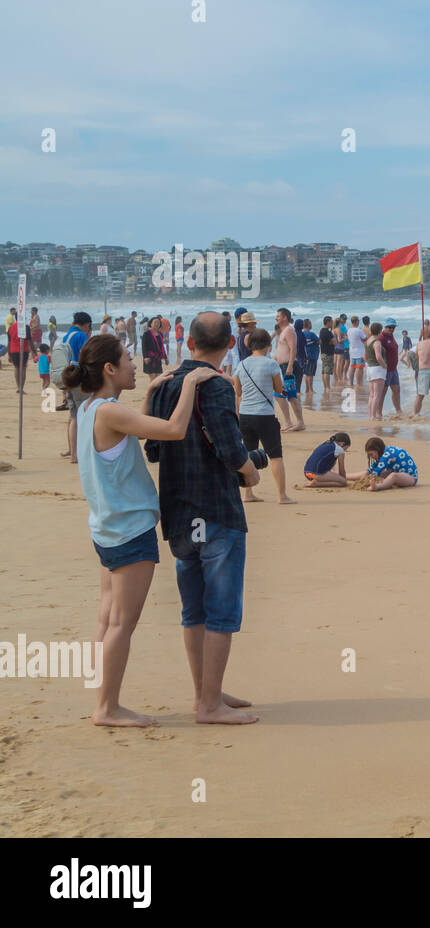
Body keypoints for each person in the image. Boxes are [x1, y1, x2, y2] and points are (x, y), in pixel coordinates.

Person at [67, 334, 220, 727]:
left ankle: (103, 695)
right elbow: (172, 429)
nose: (135, 365)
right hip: (128, 531)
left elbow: (133, 426)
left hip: (105, 527)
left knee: (107, 619)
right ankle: (108, 708)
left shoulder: (90, 409)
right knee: (122, 624)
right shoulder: (108, 412)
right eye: (128, 360)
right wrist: (188, 383)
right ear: (110, 369)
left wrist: (150, 392)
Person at [144, 312, 260, 725]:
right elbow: (231, 450)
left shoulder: (165, 385)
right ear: (231, 345)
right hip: (216, 507)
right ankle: (209, 704)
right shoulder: (216, 386)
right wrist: (251, 471)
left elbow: (154, 451)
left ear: (189, 343)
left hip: (177, 508)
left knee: (193, 609)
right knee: (222, 610)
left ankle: (205, 693)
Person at [231, 328, 293, 505]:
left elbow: (238, 390)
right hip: (264, 415)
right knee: (275, 456)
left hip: (245, 415)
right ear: (268, 344)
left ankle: (247, 493)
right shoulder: (271, 364)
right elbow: (278, 389)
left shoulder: (241, 364)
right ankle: (282, 496)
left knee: (247, 454)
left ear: (251, 345)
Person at [56, 312, 95, 463]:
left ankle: (72, 452)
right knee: (82, 414)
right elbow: (87, 357)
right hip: (78, 378)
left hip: (67, 377)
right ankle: (76, 454)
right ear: (86, 324)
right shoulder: (81, 336)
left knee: (73, 416)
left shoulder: (67, 335)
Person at [272, 308, 306, 431]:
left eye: (278, 316)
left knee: (290, 396)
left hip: (288, 367)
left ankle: (298, 423)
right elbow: (281, 350)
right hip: (282, 367)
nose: (276, 318)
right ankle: (288, 422)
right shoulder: (283, 331)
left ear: (285, 317)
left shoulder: (289, 330)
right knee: (280, 395)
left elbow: (293, 349)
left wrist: (290, 366)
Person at [380, 318, 402, 415]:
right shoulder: (381, 338)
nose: (392, 329)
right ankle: (378, 412)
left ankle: (398, 410)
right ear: (385, 327)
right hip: (386, 369)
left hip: (394, 369)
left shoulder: (391, 336)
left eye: (393, 327)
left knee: (396, 390)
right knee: (383, 392)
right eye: (389, 327)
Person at [141, 316, 165, 382]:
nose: (157, 324)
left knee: (159, 376)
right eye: (155, 322)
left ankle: (154, 391)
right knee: (153, 377)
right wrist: (145, 357)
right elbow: (144, 346)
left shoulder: (160, 334)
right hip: (149, 358)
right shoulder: (146, 334)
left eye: (158, 322)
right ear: (151, 324)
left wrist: (165, 357)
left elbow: (162, 347)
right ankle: (152, 392)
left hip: (158, 359)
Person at [347, 316, 366, 386]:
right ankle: (358, 383)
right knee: (359, 368)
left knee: (352, 367)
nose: (359, 322)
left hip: (352, 351)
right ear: (356, 321)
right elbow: (365, 338)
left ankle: (351, 383)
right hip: (359, 351)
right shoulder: (358, 330)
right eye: (358, 321)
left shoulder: (349, 330)